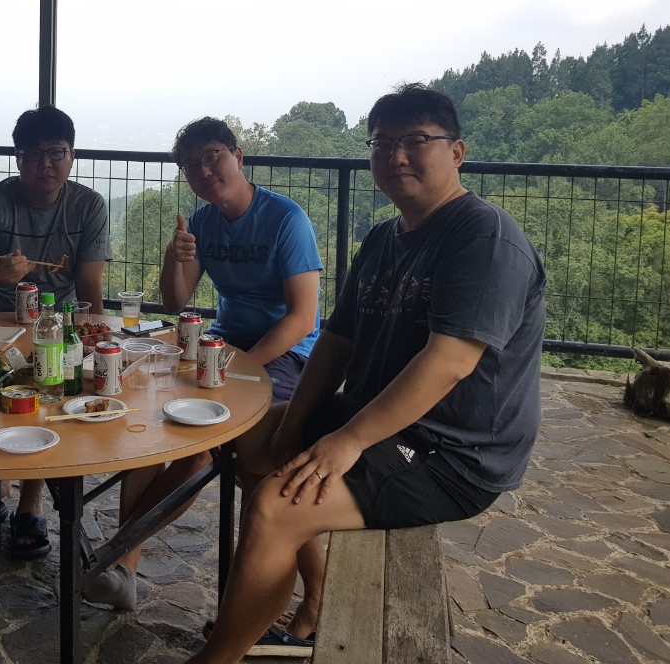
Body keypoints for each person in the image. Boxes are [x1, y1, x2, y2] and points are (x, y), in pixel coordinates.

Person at [185, 84, 545, 662]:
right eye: (382, 144)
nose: (396, 156)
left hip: (451, 451)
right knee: (247, 438)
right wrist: (291, 425)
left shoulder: (483, 237)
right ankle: (297, 603)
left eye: (415, 141)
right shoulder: (383, 238)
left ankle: (218, 656)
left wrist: (347, 440)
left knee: (275, 505)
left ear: (457, 152)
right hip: (375, 418)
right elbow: (335, 342)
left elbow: (450, 362)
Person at [83, 117, 324, 611]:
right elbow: (176, 301)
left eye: (213, 156)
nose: (204, 170)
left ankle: (313, 595)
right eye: (191, 165)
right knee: (149, 425)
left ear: (238, 156)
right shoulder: (203, 222)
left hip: (284, 353)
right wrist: (174, 256)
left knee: (248, 461)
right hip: (222, 345)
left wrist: (239, 368)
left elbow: (302, 318)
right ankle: (124, 566)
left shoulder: (286, 218)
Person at [0, 105, 110, 558]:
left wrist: (94, 336)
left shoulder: (88, 205)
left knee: (49, 386)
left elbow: (90, 282)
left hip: (61, 323)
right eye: (33, 154)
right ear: (18, 158)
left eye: (57, 152)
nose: (45, 164)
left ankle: (30, 500)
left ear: (72, 156)